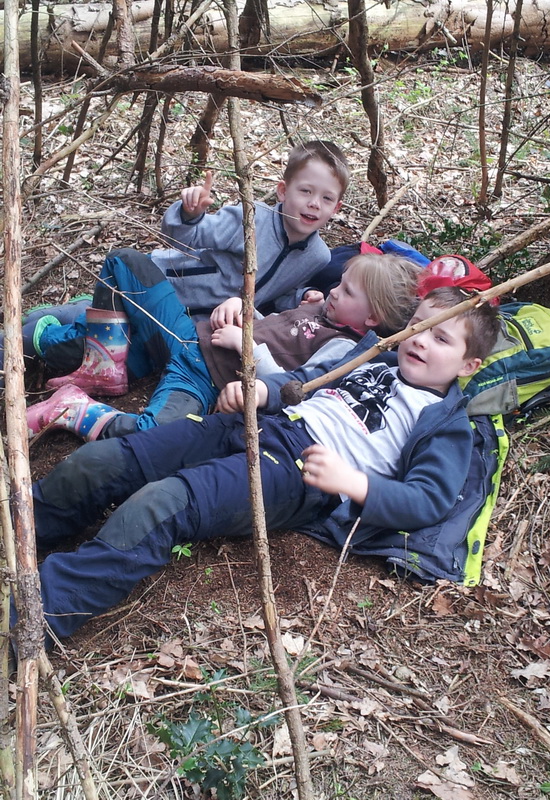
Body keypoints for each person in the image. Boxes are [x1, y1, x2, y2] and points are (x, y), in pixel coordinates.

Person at [23, 286, 500, 644]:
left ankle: (34, 613)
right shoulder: (373, 357)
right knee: (100, 462)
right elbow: (304, 381)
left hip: (297, 472)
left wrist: (355, 483)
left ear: (467, 366)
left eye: (441, 338)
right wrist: (261, 391)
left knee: (160, 504)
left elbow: (428, 500)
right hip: (256, 425)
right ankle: (22, 528)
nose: (420, 340)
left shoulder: (445, 422)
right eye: (417, 326)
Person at [22, 140, 350, 397]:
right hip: (158, 284)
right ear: (283, 190)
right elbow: (184, 238)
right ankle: (41, 322)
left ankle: (60, 321)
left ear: (336, 207)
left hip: (191, 319)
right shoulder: (250, 219)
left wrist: (301, 296)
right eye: (305, 191)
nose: (313, 204)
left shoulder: (318, 256)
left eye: (325, 198)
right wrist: (190, 214)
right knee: (73, 320)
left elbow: (278, 293)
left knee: (99, 339)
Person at [26, 253, 422, 440]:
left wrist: (246, 346)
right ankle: (104, 363)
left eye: (347, 291)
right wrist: (243, 308)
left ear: (372, 319)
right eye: (340, 283)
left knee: (152, 433)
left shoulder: (342, 350)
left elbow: (292, 388)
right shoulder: (320, 308)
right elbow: (275, 328)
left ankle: (72, 408)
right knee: (125, 262)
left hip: (202, 377)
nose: (335, 290)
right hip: (185, 335)